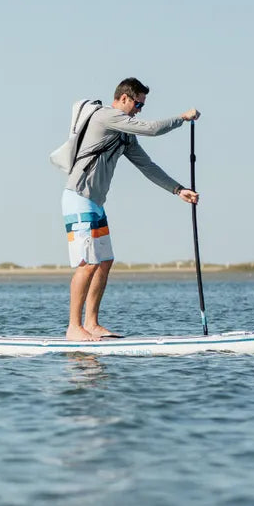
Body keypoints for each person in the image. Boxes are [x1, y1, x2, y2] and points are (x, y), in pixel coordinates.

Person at [62, 78, 200, 341]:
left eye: (142, 105)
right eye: (138, 104)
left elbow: (147, 166)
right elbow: (149, 129)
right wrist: (182, 118)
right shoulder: (105, 116)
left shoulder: (124, 134)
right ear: (124, 98)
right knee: (87, 263)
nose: (139, 109)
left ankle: (91, 324)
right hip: (78, 198)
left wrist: (178, 189)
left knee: (104, 261)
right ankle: (73, 328)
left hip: (96, 203)